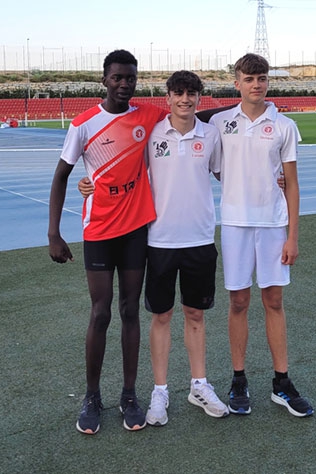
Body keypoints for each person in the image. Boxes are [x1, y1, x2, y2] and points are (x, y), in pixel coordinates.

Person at [79, 70, 229, 426]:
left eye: (191, 94)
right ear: (168, 98)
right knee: (161, 317)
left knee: (196, 315)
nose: (185, 100)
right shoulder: (151, 134)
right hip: (159, 239)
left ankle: (199, 385)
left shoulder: (210, 136)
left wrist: (275, 175)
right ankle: (159, 392)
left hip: (200, 238)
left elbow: (227, 173)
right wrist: (91, 182)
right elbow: (122, 169)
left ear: (199, 98)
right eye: (178, 93)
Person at [48, 49, 163, 434]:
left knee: (131, 311)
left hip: (135, 230)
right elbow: (62, 176)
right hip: (97, 229)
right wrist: (53, 233)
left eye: (130, 77)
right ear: (104, 80)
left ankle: (129, 395)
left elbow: (191, 116)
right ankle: (92, 396)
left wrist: (244, 106)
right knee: (101, 313)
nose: (124, 83)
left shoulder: (147, 116)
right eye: (117, 77)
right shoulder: (83, 124)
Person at [209, 53, 314, 417]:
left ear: (268, 82)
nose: (257, 84)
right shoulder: (221, 123)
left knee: (273, 301)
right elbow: (216, 169)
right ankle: (239, 380)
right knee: (238, 303)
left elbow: (294, 185)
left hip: (273, 225)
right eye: (249, 79)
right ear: (236, 83)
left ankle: (281, 382)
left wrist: (293, 237)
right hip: (236, 224)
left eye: (262, 78)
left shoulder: (284, 126)